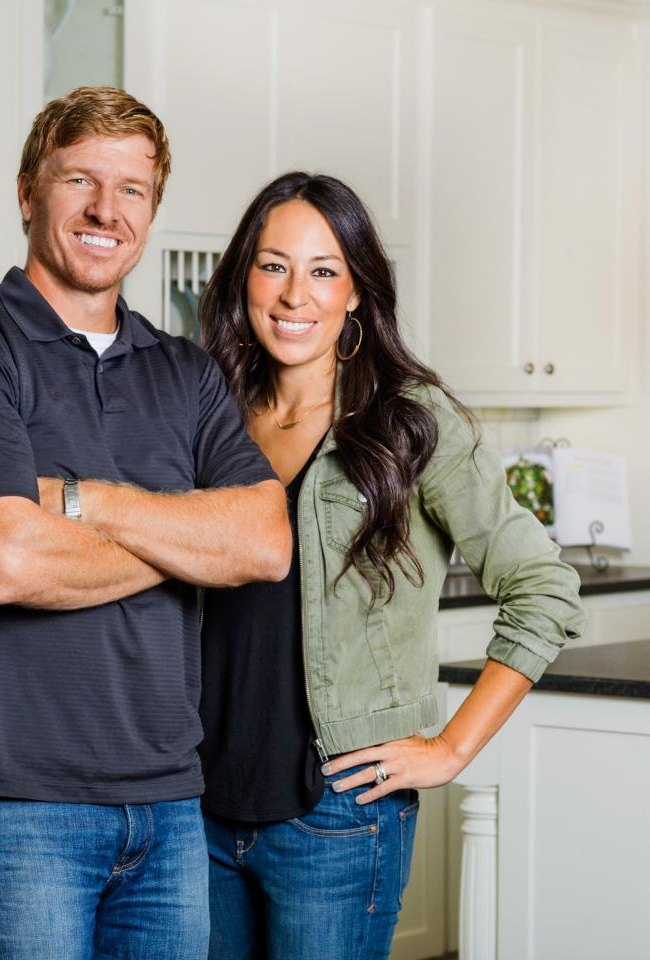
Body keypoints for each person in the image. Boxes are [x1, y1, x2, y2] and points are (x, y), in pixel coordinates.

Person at [0, 87, 290, 960]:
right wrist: (190, 542)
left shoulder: (185, 373)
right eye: (80, 180)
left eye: (134, 190)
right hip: (10, 810)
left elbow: (263, 543)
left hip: (171, 807)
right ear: (29, 193)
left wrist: (85, 500)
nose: (107, 211)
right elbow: (6, 563)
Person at [195, 172, 587, 959]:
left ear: (356, 294)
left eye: (323, 270)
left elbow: (543, 586)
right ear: (245, 278)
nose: (293, 294)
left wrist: (451, 748)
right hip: (196, 805)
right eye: (273, 266)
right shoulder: (209, 412)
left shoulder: (411, 421)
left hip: (336, 813)